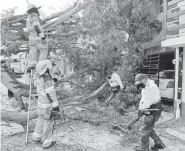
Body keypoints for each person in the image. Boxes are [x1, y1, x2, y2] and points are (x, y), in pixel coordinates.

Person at [132, 74, 165, 151]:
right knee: (148, 128)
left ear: (144, 79)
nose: (139, 85)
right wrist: (139, 108)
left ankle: (144, 147)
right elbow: (143, 99)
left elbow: (146, 104)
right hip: (150, 109)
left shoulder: (151, 88)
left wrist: (139, 111)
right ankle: (159, 143)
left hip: (153, 110)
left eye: (139, 83)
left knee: (145, 129)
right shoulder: (146, 86)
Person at [32, 60, 59, 149]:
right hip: (47, 106)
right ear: (46, 69)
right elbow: (51, 95)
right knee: (48, 122)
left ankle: (36, 137)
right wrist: (55, 107)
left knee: (40, 120)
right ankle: (46, 141)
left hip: (40, 105)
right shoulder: (47, 80)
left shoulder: (38, 78)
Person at [26, 4, 48, 72]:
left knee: (34, 54)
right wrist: (43, 37)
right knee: (43, 51)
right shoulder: (34, 17)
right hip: (38, 39)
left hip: (32, 41)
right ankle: (40, 67)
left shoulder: (28, 18)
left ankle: (32, 67)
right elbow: (36, 27)